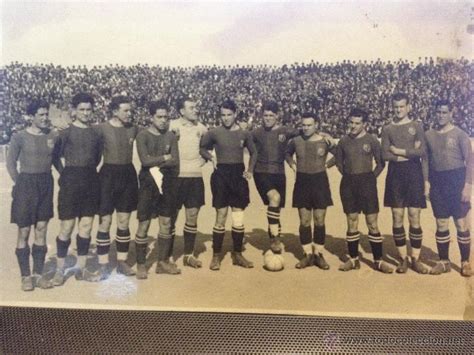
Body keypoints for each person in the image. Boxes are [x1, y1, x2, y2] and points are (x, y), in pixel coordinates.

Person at [6, 99, 61, 291]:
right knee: (24, 230)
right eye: (41, 114)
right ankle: (25, 276)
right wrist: (19, 183)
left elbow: (56, 160)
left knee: (42, 228)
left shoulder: (53, 135)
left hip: (46, 183)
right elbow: (11, 163)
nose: (45, 118)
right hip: (26, 184)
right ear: (31, 117)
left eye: (47, 114)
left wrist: (65, 176)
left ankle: (38, 274)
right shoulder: (19, 137)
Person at [200, 99, 257, 270]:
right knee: (221, 215)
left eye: (229, 115)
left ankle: (238, 254)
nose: (226, 118)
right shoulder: (214, 132)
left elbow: (254, 153)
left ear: (235, 114)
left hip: (238, 175)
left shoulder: (244, 133)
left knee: (238, 216)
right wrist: (211, 157)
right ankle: (216, 256)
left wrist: (250, 170)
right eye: (223, 115)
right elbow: (202, 147)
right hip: (221, 175)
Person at [52, 93, 102, 285]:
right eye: (81, 109)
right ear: (73, 111)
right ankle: (59, 270)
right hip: (70, 180)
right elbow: (55, 157)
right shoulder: (64, 133)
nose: (85, 113)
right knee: (67, 227)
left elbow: (97, 158)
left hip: (90, 179)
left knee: (86, 226)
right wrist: (64, 173)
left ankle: (81, 268)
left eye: (89, 109)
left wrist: (87, 170)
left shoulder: (96, 133)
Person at [335, 108, 393, 273]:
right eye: (351, 123)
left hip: (367, 183)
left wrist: (371, 177)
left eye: (357, 123)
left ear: (364, 124)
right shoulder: (343, 141)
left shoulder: (372, 140)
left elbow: (381, 162)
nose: (353, 126)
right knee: (352, 220)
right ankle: (353, 259)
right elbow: (339, 162)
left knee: (372, 223)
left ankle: (378, 260)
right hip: (348, 183)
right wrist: (348, 176)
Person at [381, 93, 429, 274]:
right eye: (395, 107)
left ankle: (415, 258)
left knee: (414, 215)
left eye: (402, 106)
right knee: (397, 215)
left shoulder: (416, 126)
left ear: (408, 107)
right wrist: (410, 152)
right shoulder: (387, 129)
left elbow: (423, 152)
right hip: (395, 175)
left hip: (414, 173)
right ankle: (403, 258)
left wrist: (399, 151)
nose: (398, 110)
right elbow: (385, 154)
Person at [425, 100, 472, 277]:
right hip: (437, 181)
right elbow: (426, 161)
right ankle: (444, 261)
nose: (441, 115)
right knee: (441, 222)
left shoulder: (460, 134)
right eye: (438, 112)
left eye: (444, 112)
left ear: (451, 113)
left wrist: (467, 186)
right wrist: (426, 182)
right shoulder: (429, 135)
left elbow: (470, 162)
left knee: (460, 223)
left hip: (457, 180)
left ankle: (465, 261)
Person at [94, 95, 139, 279]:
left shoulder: (134, 128)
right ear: (114, 111)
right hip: (107, 176)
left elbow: (154, 132)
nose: (129, 114)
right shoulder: (101, 129)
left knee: (124, 221)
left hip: (127, 174)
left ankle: (122, 262)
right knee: (105, 221)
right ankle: (103, 264)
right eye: (125, 110)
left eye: (130, 110)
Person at [285, 112, 336, 270]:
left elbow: (340, 153)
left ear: (316, 125)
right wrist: (292, 164)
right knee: (304, 220)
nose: (306, 128)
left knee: (319, 219)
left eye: (309, 125)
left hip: (320, 181)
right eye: (304, 125)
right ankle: (307, 254)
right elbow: (287, 153)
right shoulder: (296, 140)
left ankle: (318, 254)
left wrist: (327, 165)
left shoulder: (325, 140)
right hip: (302, 181)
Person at [135, 100, 179, 279]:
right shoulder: (143, 136)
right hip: (148, 182)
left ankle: (162, 262)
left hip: (167, 181)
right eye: (159, 117)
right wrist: (164, 157)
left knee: (166, 222)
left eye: (166, 117)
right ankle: (141, 264)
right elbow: (144, 162)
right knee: (144, 223)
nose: (163, 120)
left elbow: (175, 161)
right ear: (151, 117)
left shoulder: (170, 136)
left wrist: (157, 159)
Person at [251, 101, 299, 253]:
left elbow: (304, 131)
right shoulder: (256, 133)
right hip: (261, 172)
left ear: (277, 116)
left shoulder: (285, 131)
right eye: (265, 115)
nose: (268, 118)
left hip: (279, 174)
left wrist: (324, 134)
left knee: (275, 208)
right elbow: (242, 140)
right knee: (275, 198)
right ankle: (274, 240)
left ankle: (273, 233)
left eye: (271, 115)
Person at [169, 97, 208, 268]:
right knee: (171, 217)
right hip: (176, 178)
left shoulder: (202, 128)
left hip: (195, 177)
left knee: (192, 216)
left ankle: (188, 255)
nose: (195, 110)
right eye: (191, 108)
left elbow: (208, 147)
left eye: (196, 107)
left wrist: (203, 161)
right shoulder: (172, 126)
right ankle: (167, 255)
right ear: (182, 111)